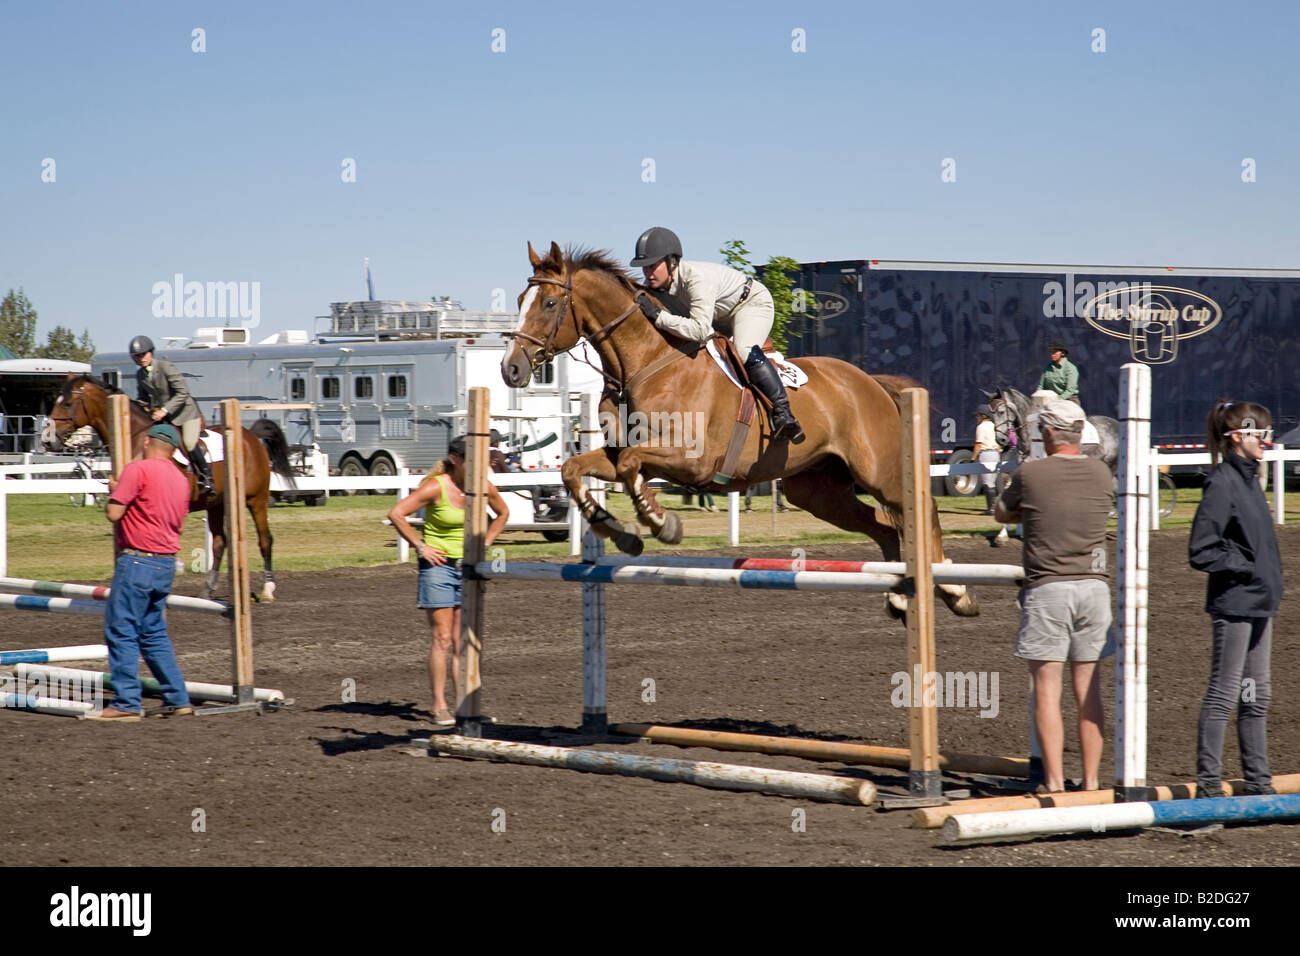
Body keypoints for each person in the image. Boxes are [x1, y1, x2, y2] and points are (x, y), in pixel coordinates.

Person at [994, 399, 1114, 793]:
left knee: (1047, 692)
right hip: (1095, 589)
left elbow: (1000, 513)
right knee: (1089, 692)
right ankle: (1094, 782)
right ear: (1080, 433)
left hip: (1049, 589)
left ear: (1046, 433)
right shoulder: (1101, 473)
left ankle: (1054, 783)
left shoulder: (1030, 473)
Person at [629, 227, 804, 443]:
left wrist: (659, 317)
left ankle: (784, 414)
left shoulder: (696, 279)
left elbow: (701, 330)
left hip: (750, 305)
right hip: (719, 317)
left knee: (744, 350)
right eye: (644, 267)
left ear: (671, 261)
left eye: (652, 265)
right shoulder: (657, 288)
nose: (648, 273)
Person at [1188, 400, 1281, 798]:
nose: (1267, 440)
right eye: (1261, 433)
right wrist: (1242, 566)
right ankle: (1209, 785)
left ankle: (1257, 782)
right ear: (1238, 436)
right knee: (1225, 694)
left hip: (1261, 604)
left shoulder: (1249, 479)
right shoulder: (1223, 481)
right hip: (1236, 604)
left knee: (1255, 696)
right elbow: (1201, 549)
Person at [388, 436, 509, 726]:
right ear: (455, 459)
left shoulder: (482, 487)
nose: (479, 469)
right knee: (442, 639)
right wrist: (421, 546)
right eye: (472, 462)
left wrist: (487, 542)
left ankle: (467, 707)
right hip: (439, 569)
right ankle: (439, 705)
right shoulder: (435, 486)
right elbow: (396, 513)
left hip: (469, 567)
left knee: (462, 641)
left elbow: (503, 513)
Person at [86, 423, 195, 721]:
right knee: (154, 633)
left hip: (137, 562)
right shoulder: (182, 479)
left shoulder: (138, 470)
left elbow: (114, 512)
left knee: (121, 630)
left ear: (147, 442)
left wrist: (115, 491)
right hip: (166, 562)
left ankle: (126, 703)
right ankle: (178, 698)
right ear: (172, 450)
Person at [129, 335, 214, 495]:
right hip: (165, 417)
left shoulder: (166, 367)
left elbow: (183, 392)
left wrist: (164, 410)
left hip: (185, 413)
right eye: (137, 356)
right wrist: (142, 407)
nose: (141, 359)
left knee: (188, 443)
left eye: (143, 354)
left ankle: (207, 476)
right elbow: (143, 398)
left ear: (151, 352)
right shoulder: (140, 375)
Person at [973, 404, 1000, 515]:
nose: (977, 418)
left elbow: (979, 444)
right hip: (995, 454)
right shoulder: (994, 425)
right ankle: (993, 507)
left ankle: (991, 509)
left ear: (983, 416)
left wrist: (973, 458)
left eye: (978, 415)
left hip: (986, 454)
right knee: (992, 482)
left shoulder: (981, 427)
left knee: (987, 483)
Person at [1038, 339, 1080, 404]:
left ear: (1062, 353)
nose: (1052, 354)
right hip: (1050, 401)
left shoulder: (1071, 368)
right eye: (1051, 352)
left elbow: (1070, 390)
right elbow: (1041, 386)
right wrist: (1037, 397)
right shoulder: (1047, 367)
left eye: (1055, 352)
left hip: (1069, 400)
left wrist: (1057, 401)